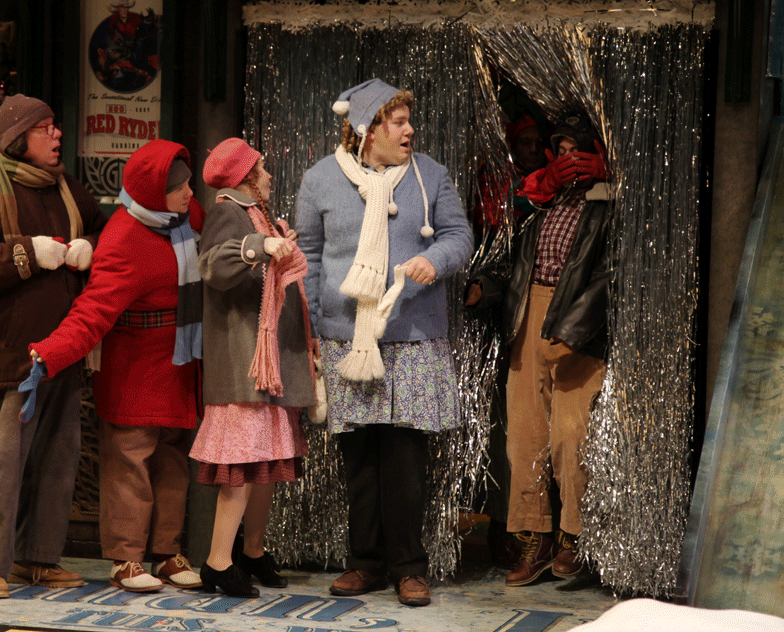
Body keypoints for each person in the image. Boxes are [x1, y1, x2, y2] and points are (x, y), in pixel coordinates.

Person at [296, 79, 473, 607]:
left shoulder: (430, 176)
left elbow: (459, 236)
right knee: (359, 459)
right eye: (397, 122)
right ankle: (364, 563)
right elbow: (307, 254)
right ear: (366, 129)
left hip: (411, 336)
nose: (409, 130)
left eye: (407, 120)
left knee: (404, 456)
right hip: (348, 338)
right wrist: (312, 324)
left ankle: (408, 567)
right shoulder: (322, 180)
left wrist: (434, 261)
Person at [0, 93, 107, 598]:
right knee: (0, 464)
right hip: (11, 352)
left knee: (57, 460)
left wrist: (90, 249)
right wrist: (27, 253)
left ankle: (36, 558)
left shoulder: (67, 190)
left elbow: (102, 230)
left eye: (56, 126)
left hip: (63, 349)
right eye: (46, 128)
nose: (57, 136)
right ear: (18, 140)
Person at [28, 139, 204, 593]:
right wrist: (51, 351)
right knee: (129, 461)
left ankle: (165, 551)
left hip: (180, 361)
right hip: (134, 366)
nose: (190, 194)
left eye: (189, 184)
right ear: (152, 193)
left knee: (171, 460)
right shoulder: (124, 237)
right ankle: (126, 559)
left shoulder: (187, 221)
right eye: (180, 187)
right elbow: (93, 311)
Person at [467, 112, 612, 587]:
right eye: (562, 150)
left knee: (571, 435)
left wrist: (574, 330)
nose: (570, 160)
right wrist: (486, 288)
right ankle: (537, 537)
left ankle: (575, 537)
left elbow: (613, 272)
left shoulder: (609, 203)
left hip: (577, 322)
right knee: (524, 435)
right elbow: (509, 252)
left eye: (579, 150)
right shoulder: (542, 200)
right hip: (529, 313)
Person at [190, 137, 317, 598]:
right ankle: (217, 562)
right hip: (244, 367)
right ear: (244, 176)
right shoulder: (229, 211)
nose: (267, 175)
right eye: (261, 169)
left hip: (266, 368)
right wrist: (260, 245)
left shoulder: (256, 213)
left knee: (266, 463)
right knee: (241, 466)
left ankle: (252, 549)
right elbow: (214, 264)